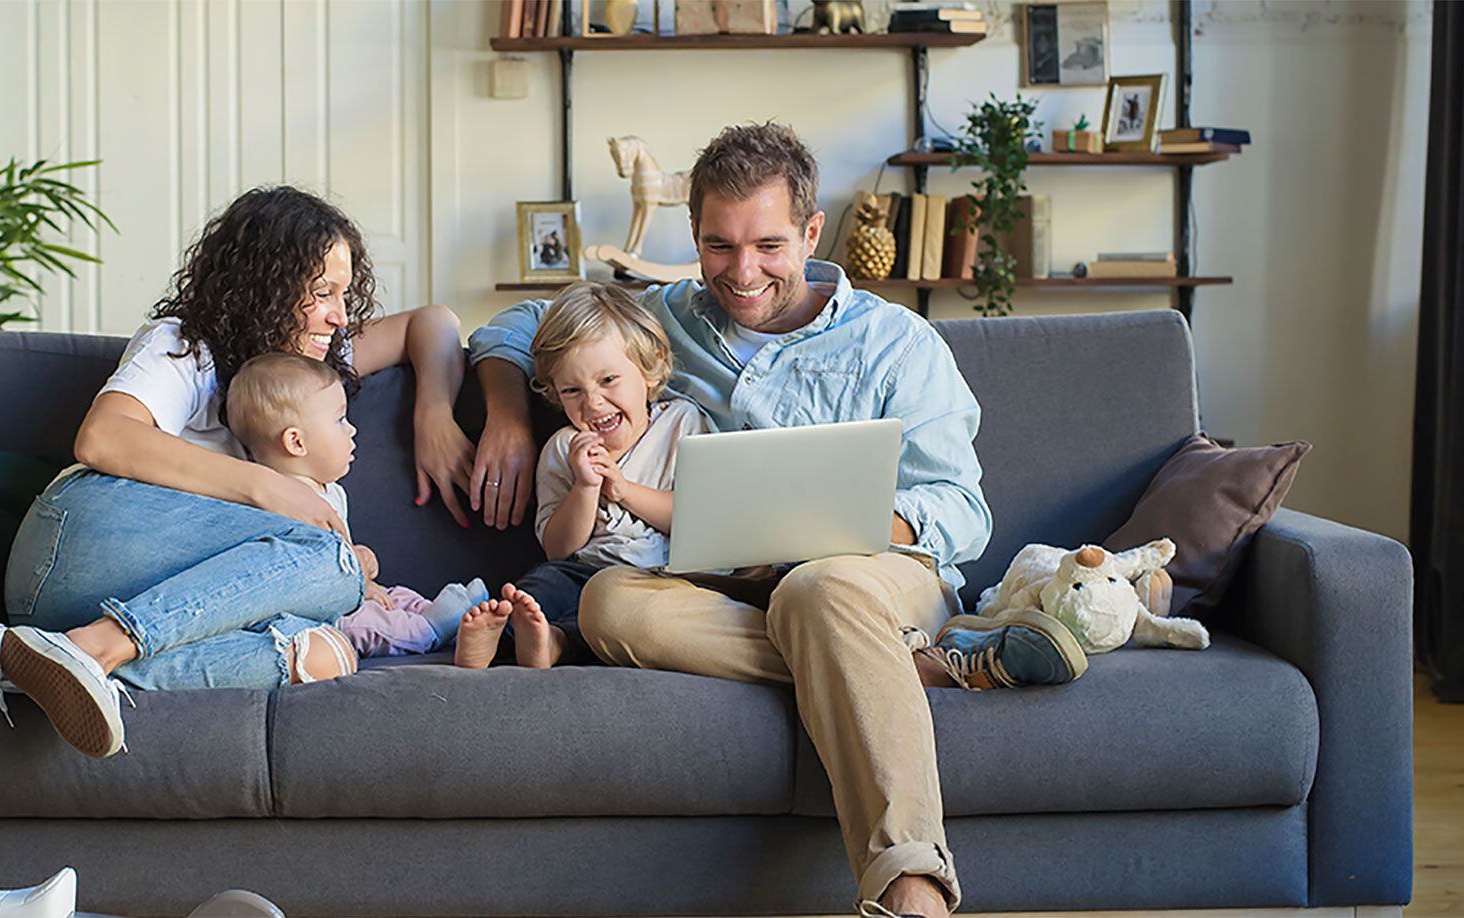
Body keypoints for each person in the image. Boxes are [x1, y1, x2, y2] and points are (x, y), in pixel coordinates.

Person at [464, 123, 1087, 916]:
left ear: (811, 233)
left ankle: (911, 888)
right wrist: (509, 417)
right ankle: (908, 665)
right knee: (609, 602)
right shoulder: (663, 320)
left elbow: (962, 512)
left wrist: (845, 526)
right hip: (723, 584)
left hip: (869, 577)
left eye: (767, 244)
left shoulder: (896, 342)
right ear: (693, 236)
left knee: (818, 591)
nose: (742, 271)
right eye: (718, 246)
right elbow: (515, 329)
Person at [0, 185, 474, 759]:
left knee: (326, 650)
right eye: (322, 293)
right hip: (77, 544)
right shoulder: (185, 347)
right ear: (265, 288)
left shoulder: (303, 368)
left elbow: (433, 324)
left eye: (343, 294)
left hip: (96, 604)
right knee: (331, 561)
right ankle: (101, 647)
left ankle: (14, 663)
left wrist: (435, 415)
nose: (339, 317)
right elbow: (102, 438)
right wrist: (269, 492)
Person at [451, 281, 707, 670]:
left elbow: (695, 519)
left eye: (608, 380)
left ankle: (555, 643)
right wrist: (585, 488)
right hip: (583, 569)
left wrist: (623, 490)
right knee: (540, 588)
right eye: (572, 390)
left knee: (628, 616)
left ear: (651, 369)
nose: (593, 402)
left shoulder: (682, 424)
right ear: (554, 392)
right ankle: (498, 641)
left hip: (661, 576)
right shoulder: (562, 448)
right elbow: (559, 547)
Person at [225, 351, 489, 659]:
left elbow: (339, 553)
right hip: (322, 615)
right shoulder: (281, 505)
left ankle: (443, 612)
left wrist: (360, 561)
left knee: (396, 595)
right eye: (340, 420)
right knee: (369, 624)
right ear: (296, 442)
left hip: (352, 592)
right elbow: (307, 579)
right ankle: (428, 630)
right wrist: (358, 580)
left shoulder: (331, 491)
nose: (352, 429)